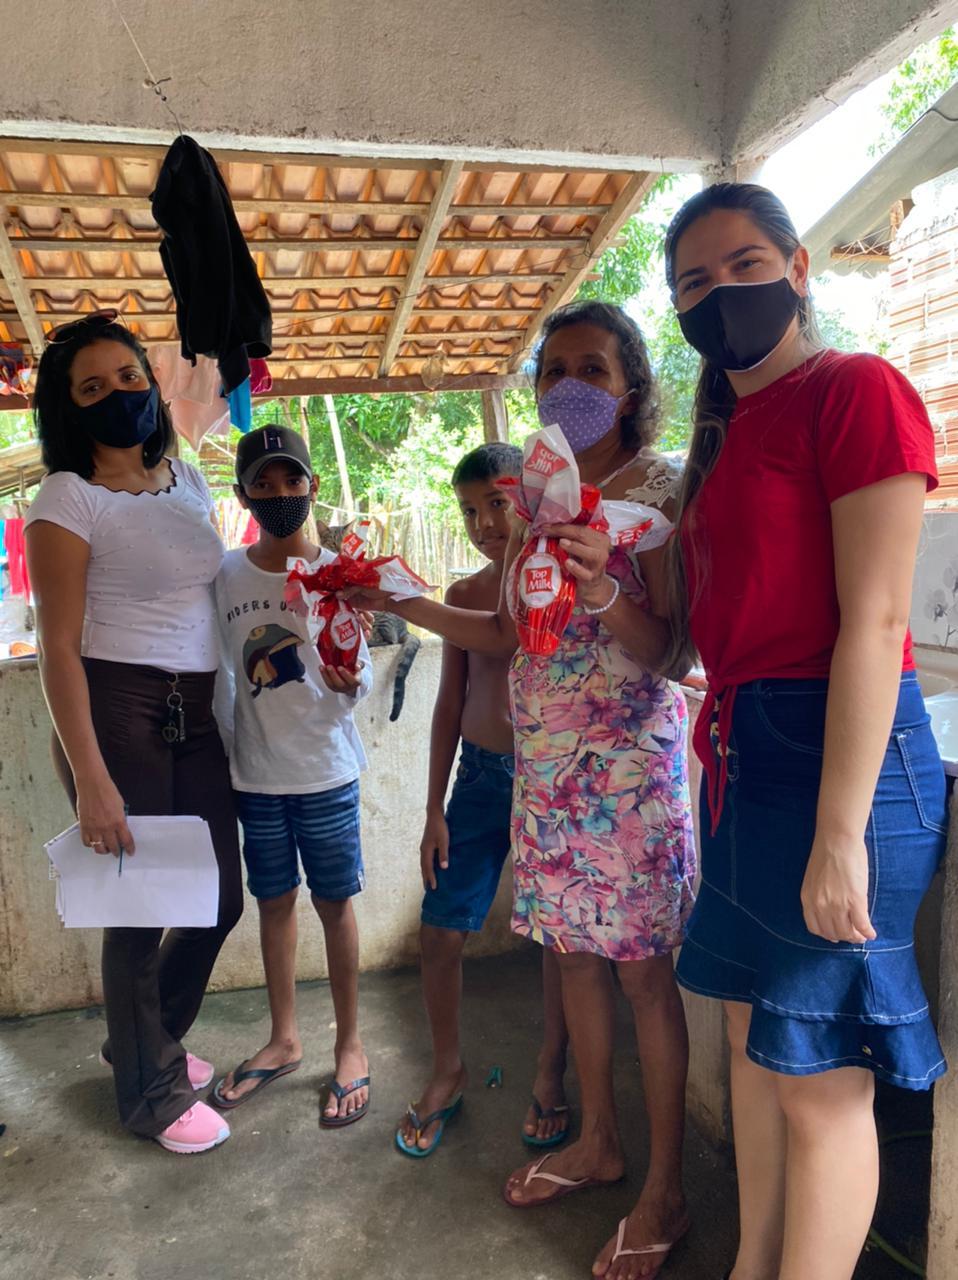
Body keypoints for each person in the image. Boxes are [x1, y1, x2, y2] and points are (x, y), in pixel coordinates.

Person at [350, 301, 696, 1277]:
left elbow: (673, 645)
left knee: (639, 974)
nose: (569, 385)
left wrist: (600, 587)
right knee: (575, 963)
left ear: (632, 384)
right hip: (544, 775)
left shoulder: (662, 490)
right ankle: (597, 1139)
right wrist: (406, 601)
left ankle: (664, 1187)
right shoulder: (538, 490)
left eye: (593, 366)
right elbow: (504, 635)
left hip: (626, 774)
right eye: (553, 370)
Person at [662, 183, 948, 1280]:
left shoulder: (855, 390)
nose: (719, 293)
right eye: (693, 280)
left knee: (822, 1081)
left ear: (797, 268)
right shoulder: (721, 437)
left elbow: (877, 622)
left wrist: (840, 833)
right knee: (748, 1042)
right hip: (741, 752)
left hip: (845, 760)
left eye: (743, 265)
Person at [24, 311, 243, 1155]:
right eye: (91, 387)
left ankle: (147, 1042)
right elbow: (59, 651)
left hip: (196, 709)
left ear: (150, 387)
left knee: (220, 896)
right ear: (69, 409)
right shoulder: (65, 498)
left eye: (126, 378)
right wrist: (91, 777)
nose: (116, 394)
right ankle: (149, 1095)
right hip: (117, 708)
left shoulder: (186, 481)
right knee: (140, 911)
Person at [396, 441, 572, 1157]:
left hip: (550, 779)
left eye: (496, 504)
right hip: (478, 778)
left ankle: (551, 1069)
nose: (483, 523)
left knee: (560, 943)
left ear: (526, 499)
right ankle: (448, 1070)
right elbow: (449, 704)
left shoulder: (558, 583)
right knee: (440, 930)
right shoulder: (464, 595)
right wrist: (433, 807)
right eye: (469, 510)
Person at [211, 425, 372, 1126]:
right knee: (273, 904)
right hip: (255, 774)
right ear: (243, 492)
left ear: (312, 483)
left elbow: (358, 677)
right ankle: (284, 1038)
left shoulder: (342, 573)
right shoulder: (227, 575)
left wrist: (348, 686)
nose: (280, 494)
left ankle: (352, 1045)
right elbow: (218, 670)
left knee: (336, 906)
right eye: (263, 484)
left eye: (292, 480)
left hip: (327, 771)